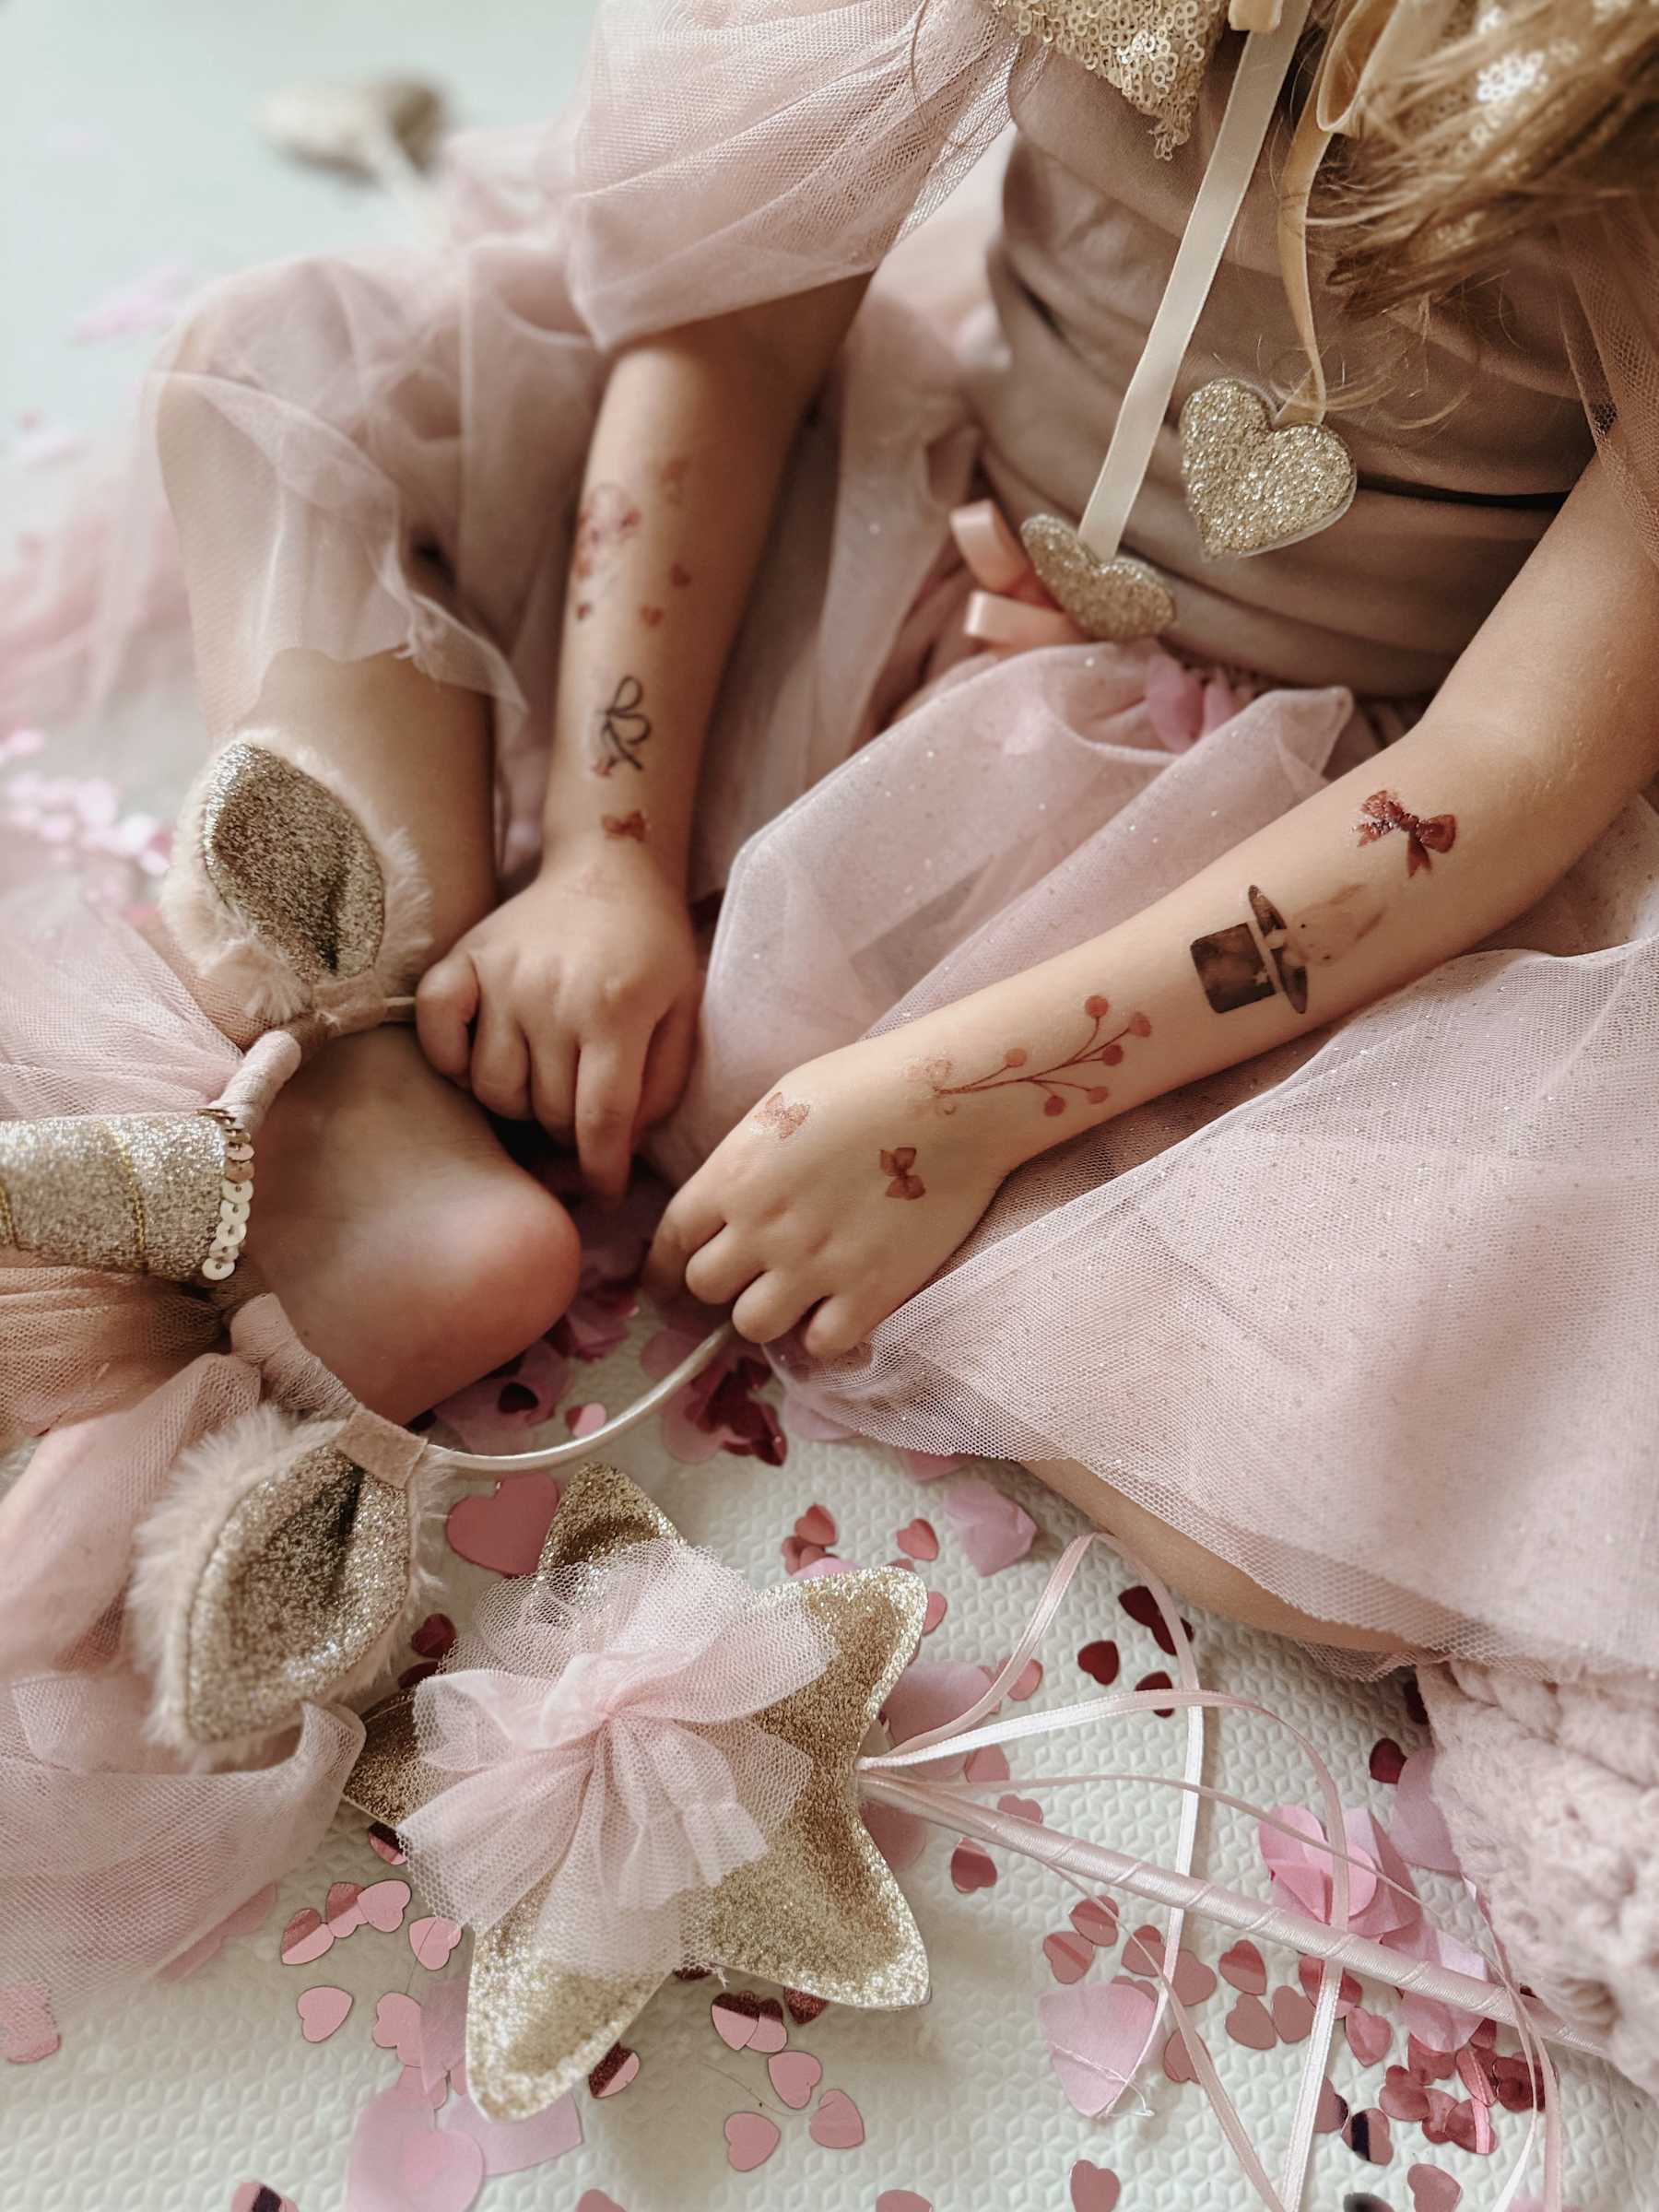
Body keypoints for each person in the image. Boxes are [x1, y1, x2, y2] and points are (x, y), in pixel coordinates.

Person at [5, 0, 1659, 2093]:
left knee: (1333, 1475)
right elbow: (738, 318)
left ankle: (808, 1110)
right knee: (294, 380)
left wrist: (948, 1109)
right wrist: (605, 852)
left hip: (1285, 846)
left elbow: (1511, 769)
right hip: (884, 556)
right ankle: (374, 1072)